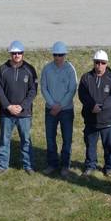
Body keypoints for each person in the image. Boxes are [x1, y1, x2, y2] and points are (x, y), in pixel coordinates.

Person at [0, 40, 38, 174]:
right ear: (10, 54)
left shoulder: (30, 69)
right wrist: (8, 106)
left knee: (26, 140)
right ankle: (2, 165)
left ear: (23, 54)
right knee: (4, 140)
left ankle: (28, 165)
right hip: (6, 113)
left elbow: (33, 90)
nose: (17, 55)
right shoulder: (2, 69)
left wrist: (22, 106)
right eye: (14, 53)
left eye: (19, 53)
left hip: (24, 113)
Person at [77, 49, 111, 177]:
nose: (99, 65)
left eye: (102, 63)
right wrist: (92, 106)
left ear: (106, 63)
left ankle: (109, 167)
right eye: (97, 62)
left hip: (107, 121)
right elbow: (82, 94)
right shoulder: (86, 77)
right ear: (94, 63)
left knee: (109, 146)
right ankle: (90, 165)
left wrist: (102, 107)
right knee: (90, 145)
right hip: (91, 120)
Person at [40, 41, 77, 177]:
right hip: (50, 110)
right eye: (56, 54)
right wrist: (52, 104)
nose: (58, 57)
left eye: (60, 55)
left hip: (66, 110)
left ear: (64, 55)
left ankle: (65, 165)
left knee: (67, 138)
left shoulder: (70, 69)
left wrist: (60, 105)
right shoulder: (47, 69)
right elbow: (43, 88)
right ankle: (52, 164)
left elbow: (72, 89)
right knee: (50, 138)